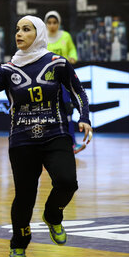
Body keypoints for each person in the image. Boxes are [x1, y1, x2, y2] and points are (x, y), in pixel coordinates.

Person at [0, 15, 93, 257]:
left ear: (40, 34)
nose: (19, 34)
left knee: (67, 182)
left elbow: (79, 93)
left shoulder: (58, 63)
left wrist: (85, 117)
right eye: (17, 29)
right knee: (25, 195)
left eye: (26, 29)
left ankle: (53, 216)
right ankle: (19, 242)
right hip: (22, 141)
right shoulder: (6, 70)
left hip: (56, 135)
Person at [45, 11, 83, 152]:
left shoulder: (65, 36)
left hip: (64, 79)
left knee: (67, 110)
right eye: (49, 23)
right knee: (48, 112)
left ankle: (72, 143)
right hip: (48, 81)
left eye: (55, 22)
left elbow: (72, 50)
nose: (52, 25)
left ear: (59, 23)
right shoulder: (42, 38)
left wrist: (73, 57)